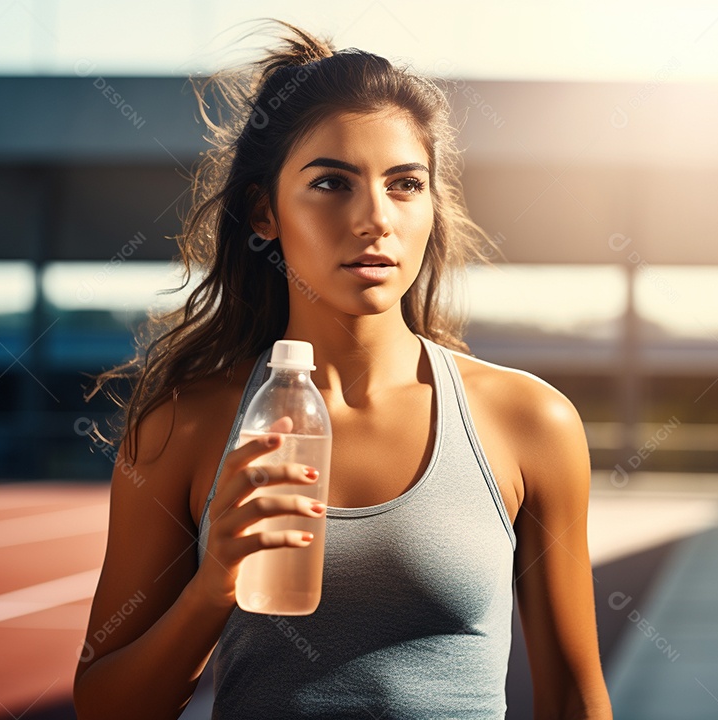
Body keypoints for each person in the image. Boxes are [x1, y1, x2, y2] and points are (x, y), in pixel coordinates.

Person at [72, 19, 611, 720]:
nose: (375, 219)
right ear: (264, 212)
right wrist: (213, 585)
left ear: (431, 207)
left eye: (405, 184)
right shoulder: (184, 425)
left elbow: (574, 698)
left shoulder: (531, 423)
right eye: (332, 182)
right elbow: (105, 708)